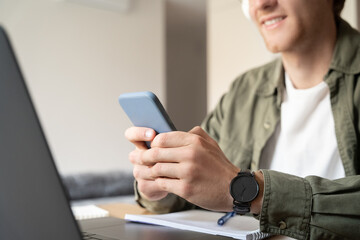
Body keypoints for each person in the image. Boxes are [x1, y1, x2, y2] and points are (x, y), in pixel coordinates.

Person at [125, 0, 360, 239]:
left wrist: (247, 191)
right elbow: (198, 190)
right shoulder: (243, 90)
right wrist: (162, 185)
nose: (261, 4)